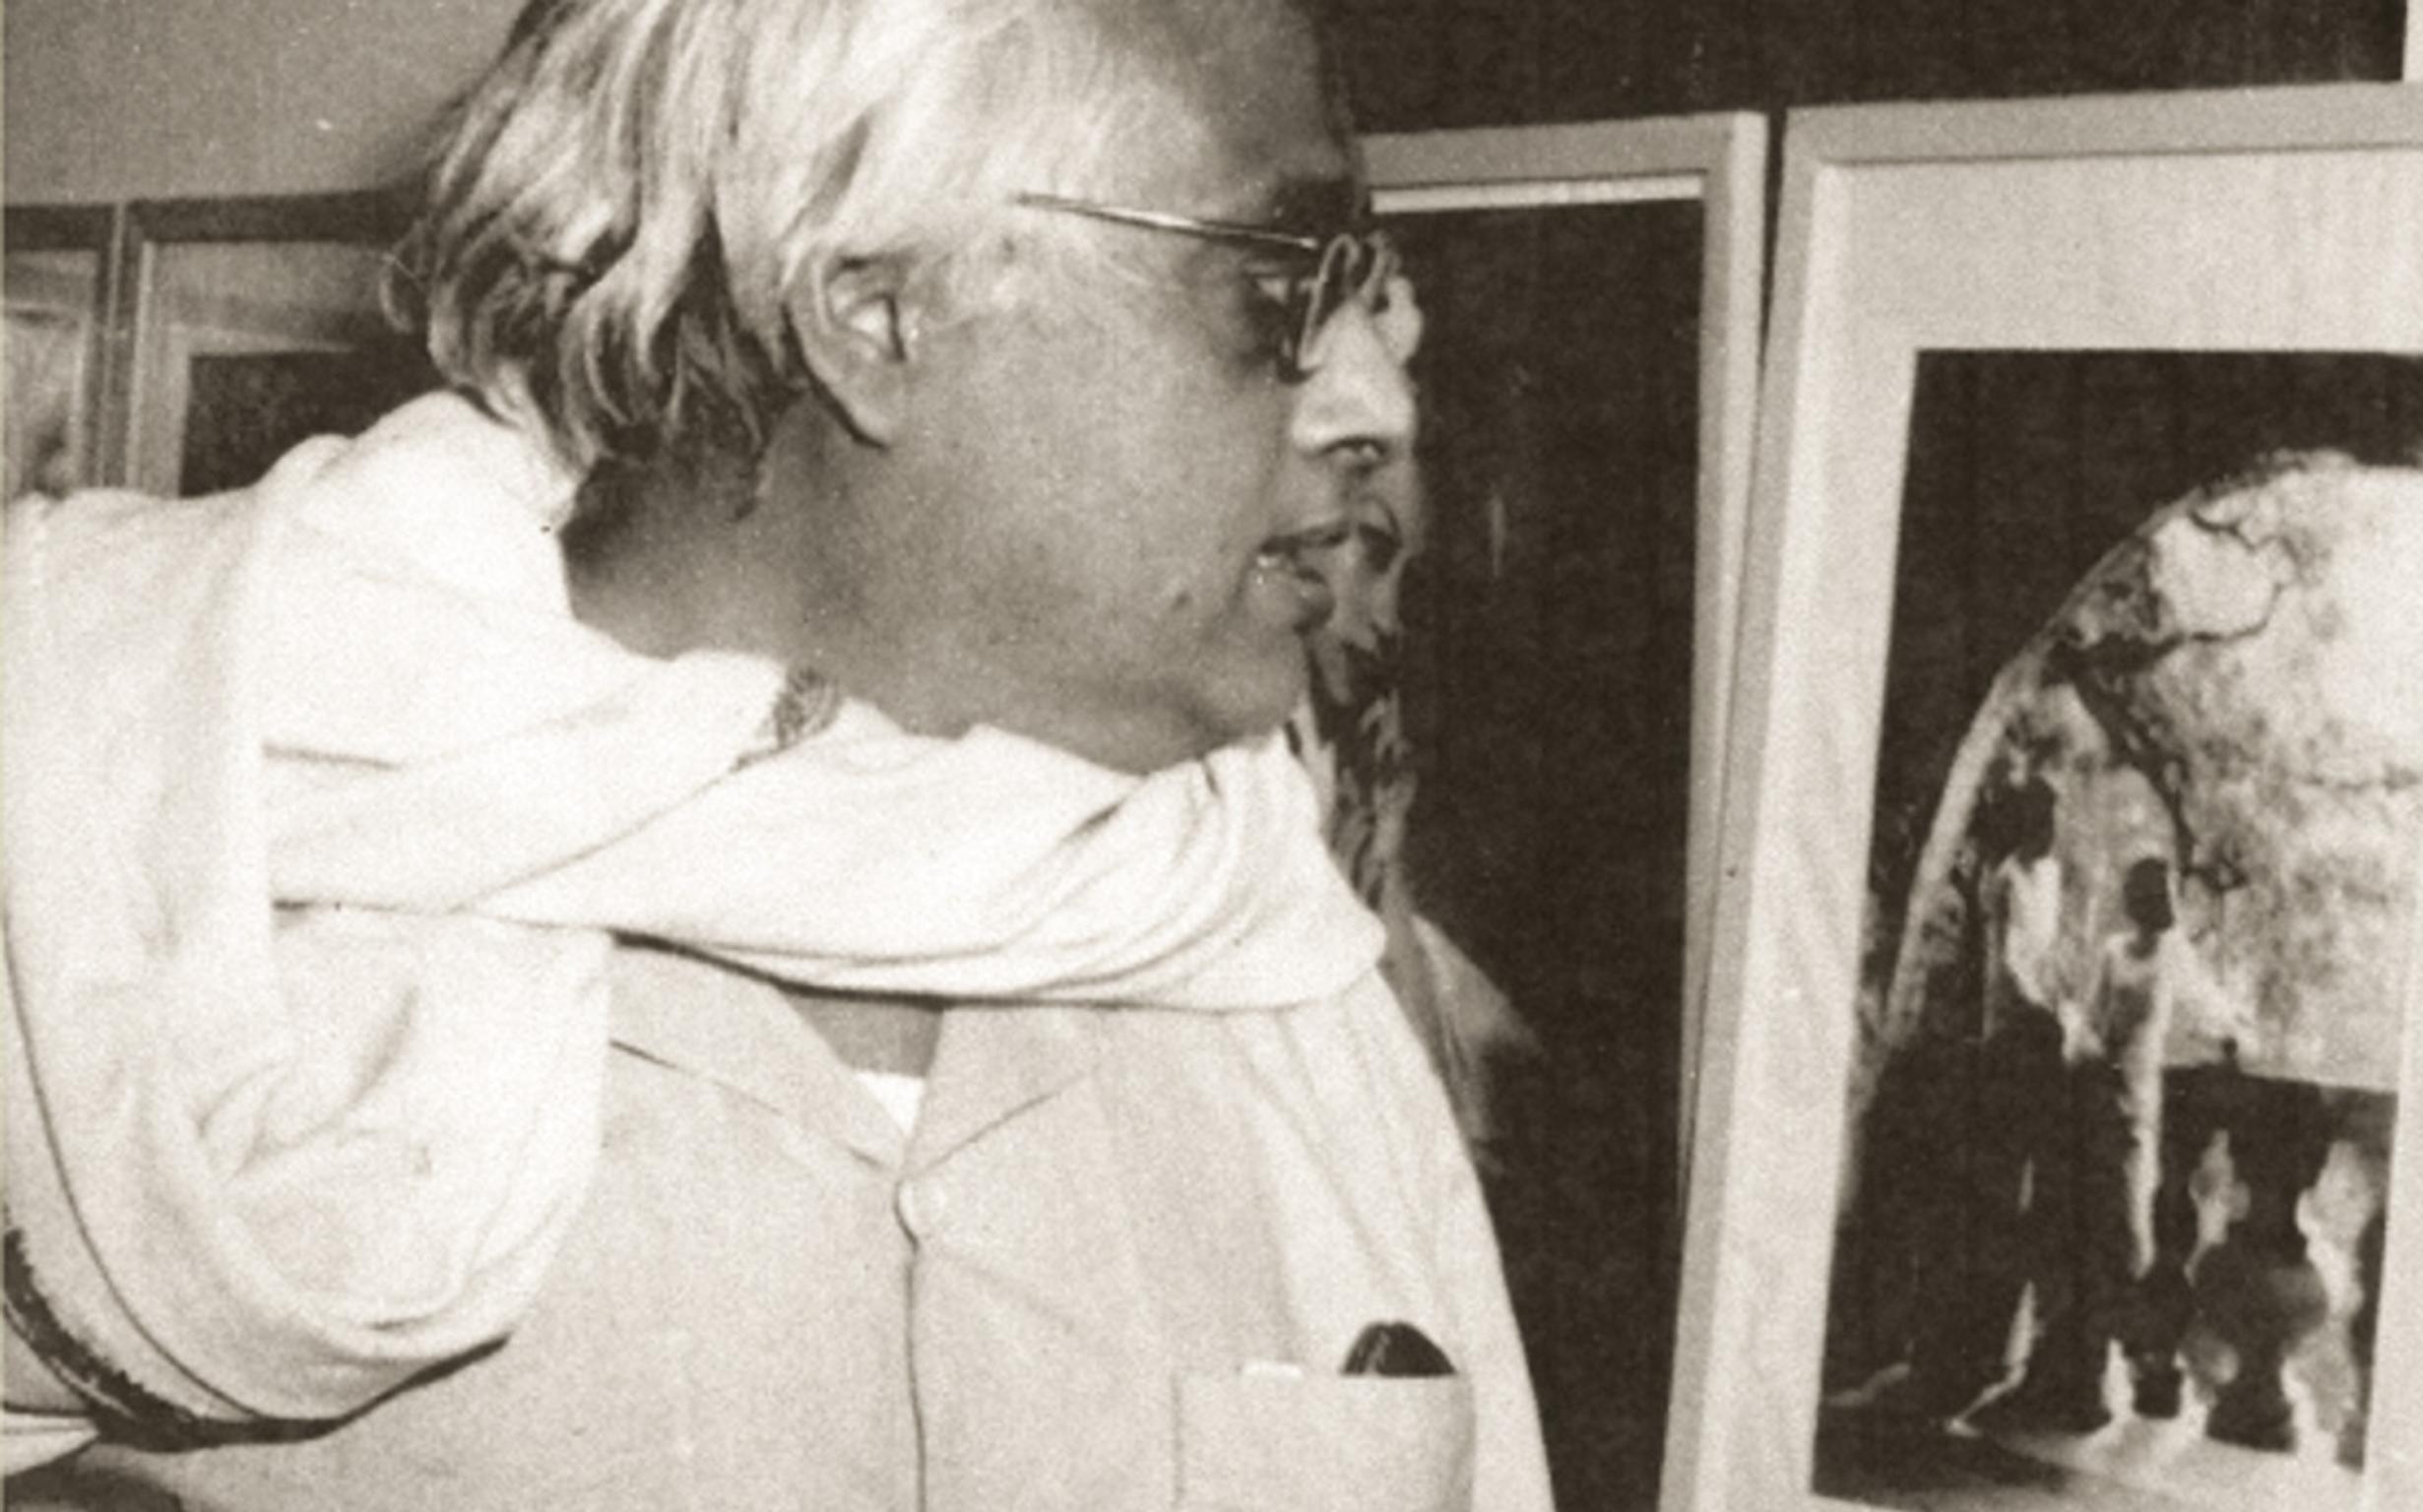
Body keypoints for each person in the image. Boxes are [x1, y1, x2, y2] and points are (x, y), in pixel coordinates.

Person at [0, 1, 1554, 1508]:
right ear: (877, 315)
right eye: (1279, 288)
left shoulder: (1275, 955)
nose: (1377, 400)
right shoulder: (119, 884)